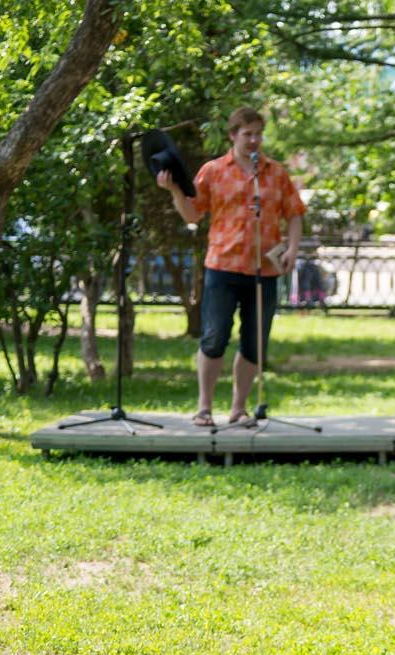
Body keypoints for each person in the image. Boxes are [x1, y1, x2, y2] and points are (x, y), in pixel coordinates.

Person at [158, 106, 306, 427]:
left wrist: (292, 248)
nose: (254, 140)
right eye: (247, 134)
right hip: (222, 267)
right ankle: (204, 407)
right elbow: (192, 214)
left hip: (263, 271)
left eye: (258, 134)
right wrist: (173, 191)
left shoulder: (276, 173)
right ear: (233, 135)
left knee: (254, 343)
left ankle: (239, 409)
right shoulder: (213, 171)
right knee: (214, 337)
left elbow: (294, 212)